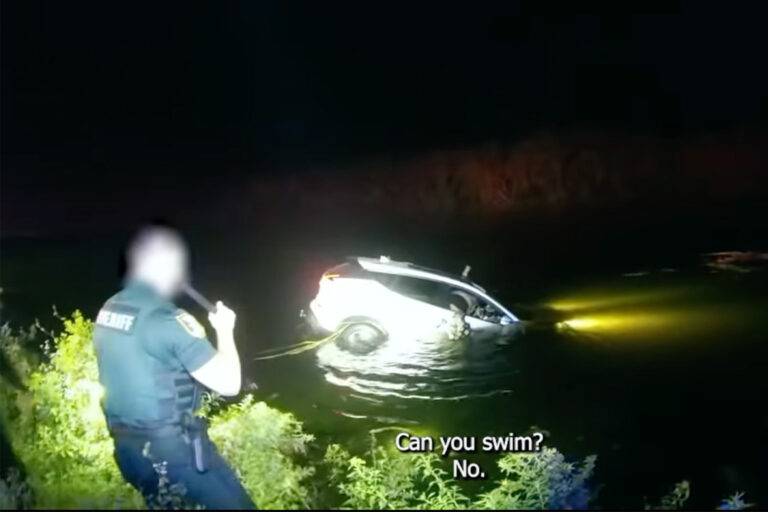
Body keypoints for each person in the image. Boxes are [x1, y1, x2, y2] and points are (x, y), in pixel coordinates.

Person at [92, 225, 256, 509]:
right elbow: (229, 384)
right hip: (173, 454)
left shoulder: (110, 308)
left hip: (129, 453)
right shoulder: (168, 320)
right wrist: (225, 329)